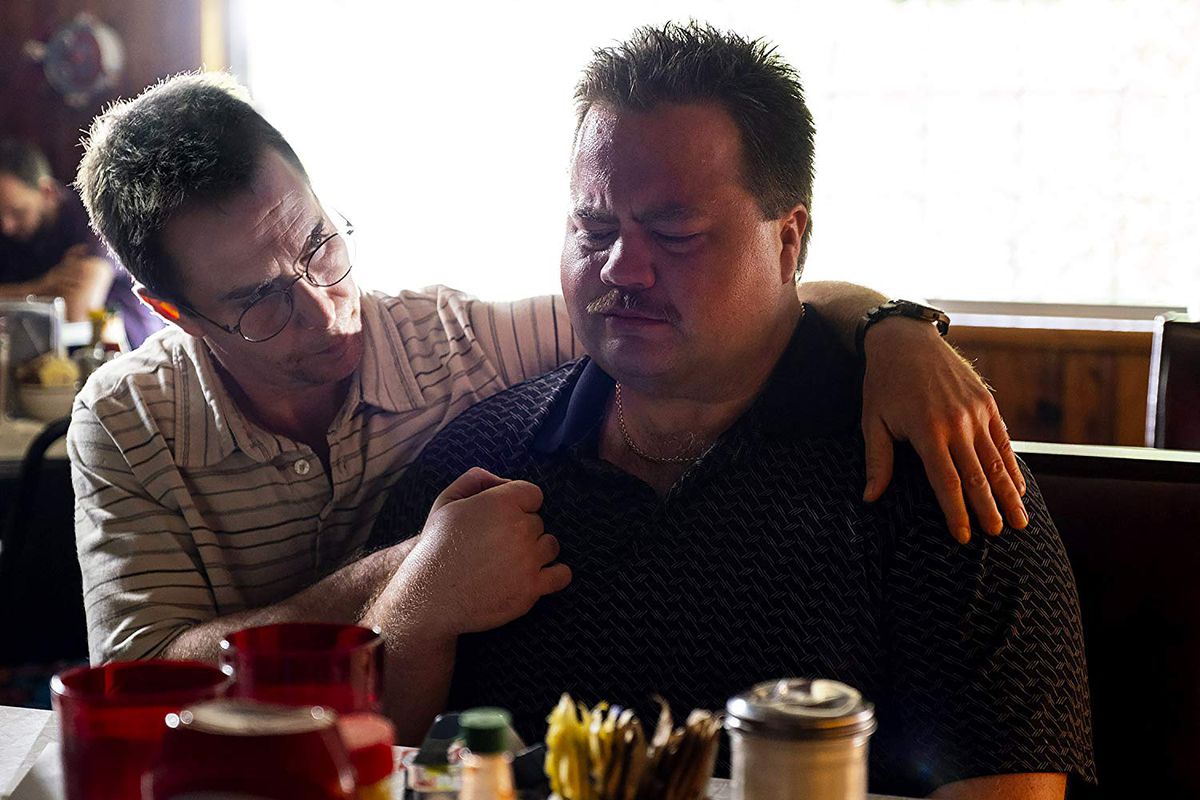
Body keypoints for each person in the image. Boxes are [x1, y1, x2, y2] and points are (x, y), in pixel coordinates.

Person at [70, 73, 1023, 671]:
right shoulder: (130, 423)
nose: (324, 308)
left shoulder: (460, 343)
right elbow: (140, 675)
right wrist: (413, 574)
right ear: (173, 313)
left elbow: (706, 307)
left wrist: (894, 330)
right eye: (260, 300)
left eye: (321, 245)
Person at [367, 23, 1093, 798]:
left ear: (789, 240)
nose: (622, 266)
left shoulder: (930, 472)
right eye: (594, 227)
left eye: (676, 234)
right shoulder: (485, 461)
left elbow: (1010, 786)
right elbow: (366, 760)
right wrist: (416, 615)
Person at [0, 138, 161, 346]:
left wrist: (15, 294)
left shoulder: (93, 217)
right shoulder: (8, 231)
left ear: (47, 191)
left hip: (126, 354)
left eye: (18, 212)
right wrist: (45, 285)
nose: (6, 226)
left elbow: (76, 313)